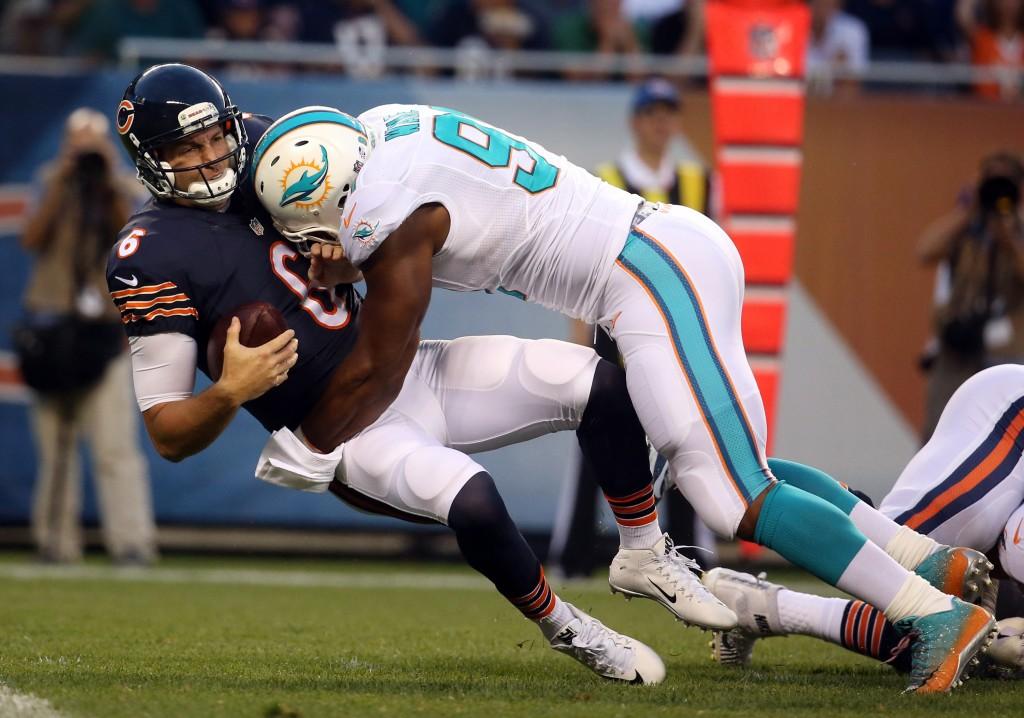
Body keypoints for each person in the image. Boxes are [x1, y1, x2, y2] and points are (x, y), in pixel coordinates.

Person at [253, 102, 998, 693]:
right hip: (659, 257)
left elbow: (386, 362)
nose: (315, 243)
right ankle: (922, 559)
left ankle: (931, 614)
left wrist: (311, 445)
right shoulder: (382, 131)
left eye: (309, 226)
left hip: (647, 275)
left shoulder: (388, 209)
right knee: (729, 466)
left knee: (729, 493)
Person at [106, 63, 739, 684]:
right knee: (476, 500)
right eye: (189, 147)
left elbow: (363, 214)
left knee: (599, 383)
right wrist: (229, 391)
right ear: (151, 158)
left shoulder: (270, 149)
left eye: (217, 135)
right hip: (347, 429)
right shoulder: (150, 253)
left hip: (407, 367)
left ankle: (644, 550)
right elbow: (167, 431)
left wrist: (343, 249)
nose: (215, 155)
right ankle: (567, 625)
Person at [703, 363, 1024, 678]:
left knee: (944, 636)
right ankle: (774, 491)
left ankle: (764, 607)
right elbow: (1016, 544)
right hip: (1010, 424)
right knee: (914, 589)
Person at [551, 77, 716, 579]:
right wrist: (578, 341)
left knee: (684, 445)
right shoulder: (606, 179)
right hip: (615, 337)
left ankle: (692, 556)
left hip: (676, 339)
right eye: (652, 113)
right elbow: (585, 267)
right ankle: (577, 555)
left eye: (669, 112)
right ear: (636, 120)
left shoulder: (701, 183)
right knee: (599, 443)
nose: (661, 122)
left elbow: (709, 267)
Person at [17, 108, 156, 566]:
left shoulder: (125, 189)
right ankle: (56, 543)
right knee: (55, 447)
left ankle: (132, 543)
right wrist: (64, 181)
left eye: (92, 144)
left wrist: (107, 178)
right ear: (65, 145)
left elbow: (129, 238)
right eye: (77, 144)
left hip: (104, 334)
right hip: (53, 329)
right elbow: (32, 238)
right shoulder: (48, 180)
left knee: (114, 446)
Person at [918, 152, 1024, 440]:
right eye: (991, 180)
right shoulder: (967, 228)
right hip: (957, 347)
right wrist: (968, 211)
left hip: (1006, 351)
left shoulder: (1018, 230)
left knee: (1003, 433)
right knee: (941, 430)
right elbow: (925, 250)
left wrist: (1008, 237)